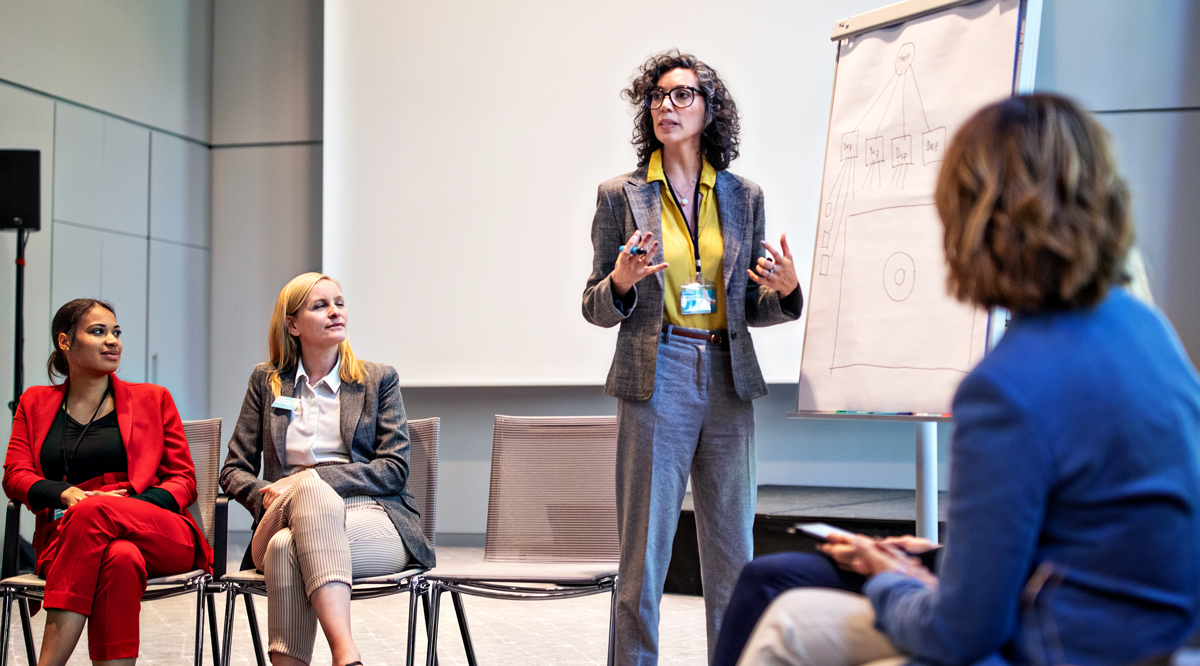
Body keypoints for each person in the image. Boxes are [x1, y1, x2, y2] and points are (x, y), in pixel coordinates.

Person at [735, 94, 1200, 666]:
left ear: (975, 220)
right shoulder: (1148, 331)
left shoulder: (1007, 387)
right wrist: (941, 560)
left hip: (1057, 646)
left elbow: (961, 633)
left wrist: (892, 579)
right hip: (1148, 640)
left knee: (787, 624)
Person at [582, 49, 803, 665]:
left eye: (682, 95)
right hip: (657, 374)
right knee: (644, 558)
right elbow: (594, 304)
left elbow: (747, 304)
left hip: (728, 378)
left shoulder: (742, 195)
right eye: (656, 96)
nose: (665, 106)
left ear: (710, 111)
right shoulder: (619, 196)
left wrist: (784, 292)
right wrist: (622, 282)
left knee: (735, 555)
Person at [220, 272, 434, 666]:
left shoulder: (377, 379)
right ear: (293, 324)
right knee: (300, 509)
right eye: (320, 306)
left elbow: (394, 468)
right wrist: (272, 493)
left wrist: (311, 478)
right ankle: (346, 654)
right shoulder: (267, 382)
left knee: (286, 548)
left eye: (339, 302)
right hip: (280, 512)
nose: (336, 312)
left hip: (371, 517)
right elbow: (233, 470)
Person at [3, 298, 213, 666]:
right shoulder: (34, 403)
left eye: (116, 332)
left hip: (156, 527)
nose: (112, 341)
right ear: (65, 342)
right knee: (120, 557)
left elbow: (183, 480)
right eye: (98, 332)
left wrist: (122, 508)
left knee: (98, 511)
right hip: (69, 536)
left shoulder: (154, 398)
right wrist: (67, 493)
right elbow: (15, 475)